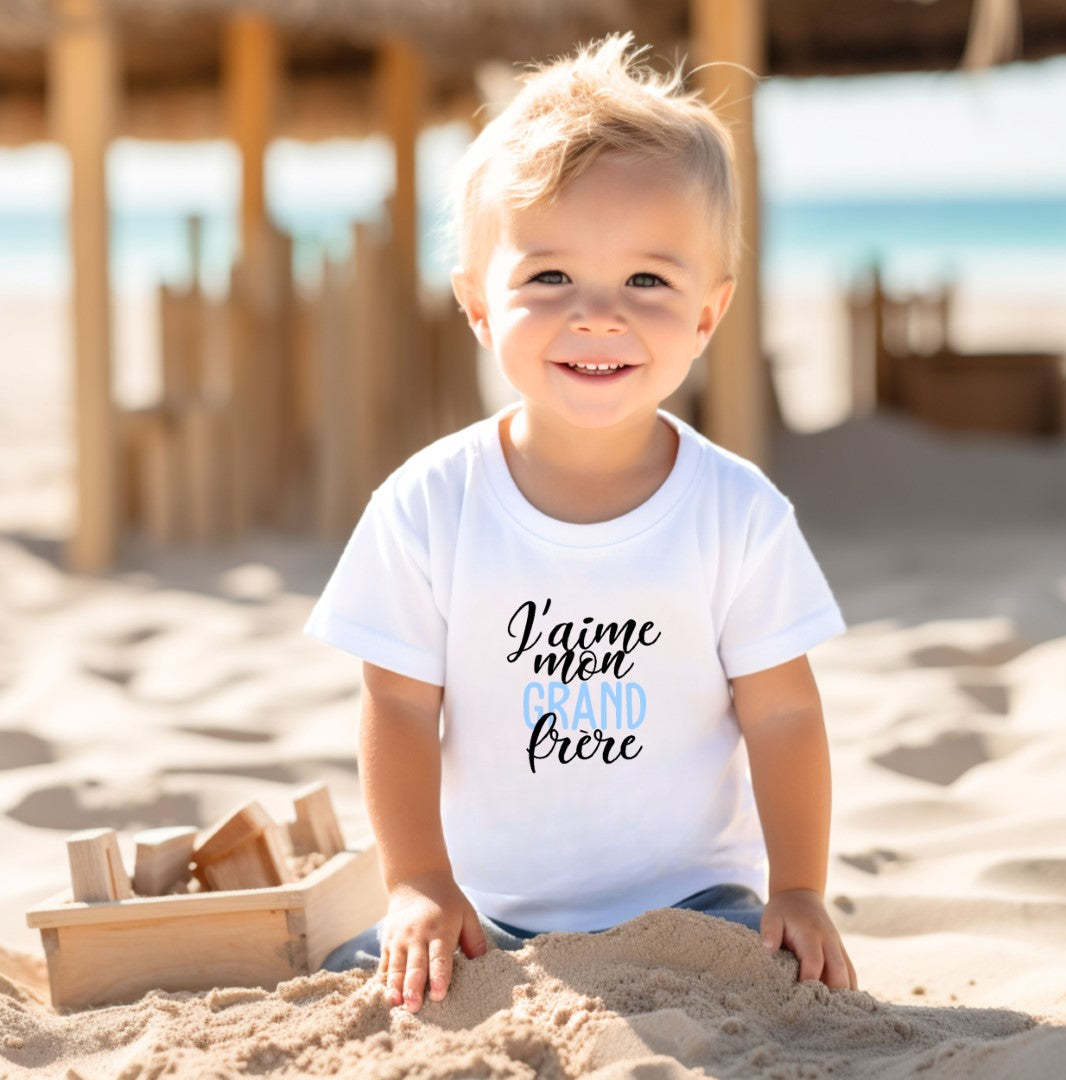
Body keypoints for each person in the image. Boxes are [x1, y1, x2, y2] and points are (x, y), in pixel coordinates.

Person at [304, 31, 858, 1014]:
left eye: (648, 282)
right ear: (479, 307)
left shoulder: (737, 514)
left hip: (696, 906)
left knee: (778, 974)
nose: (597, 315)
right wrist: (421, 879)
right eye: (549, 278)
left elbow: (781, 712)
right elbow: (396, 708)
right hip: (492, 907)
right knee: (354, 974)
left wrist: (801, 888)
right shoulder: (429, 505)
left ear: (707, 316)